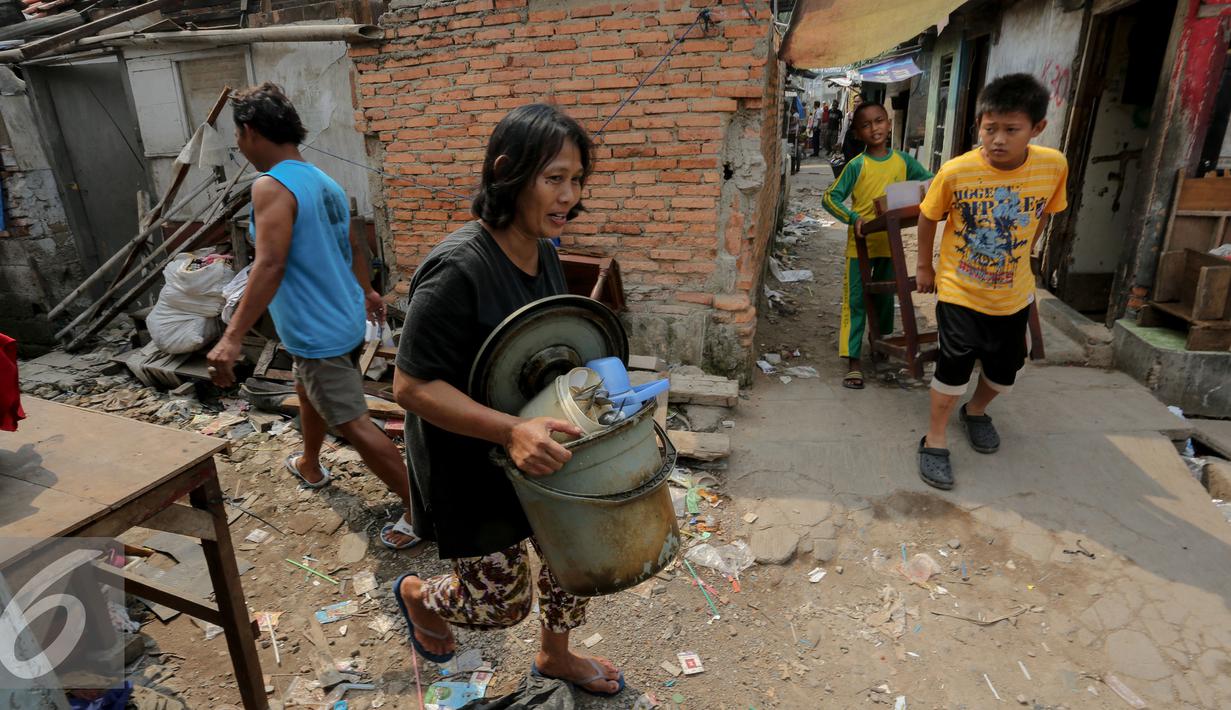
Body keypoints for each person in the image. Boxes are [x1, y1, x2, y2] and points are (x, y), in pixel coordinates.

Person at [390, 104, 625, 697]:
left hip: (533, 437)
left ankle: (555, 656)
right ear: (507, 172)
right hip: (468, 458)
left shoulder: (544, 251)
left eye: (577, 180)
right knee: (500, 605)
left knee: (576, 550)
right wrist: (508, 433)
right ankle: (418, 595)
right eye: (554, 179)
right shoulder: (457, 270)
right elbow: (410, 387)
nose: (568, 195)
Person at [207, 83, 420, 550]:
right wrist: (366, 289)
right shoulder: (323, 181)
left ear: (249, 131)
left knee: (353, 422)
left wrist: (232, 335)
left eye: (238, 136)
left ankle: (420, 510)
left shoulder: (270, 185)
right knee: (308, 387)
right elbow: (356, 244)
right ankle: (310, 464)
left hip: (316, 328)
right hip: (341, 317)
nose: (239, 146)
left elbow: (269, 264)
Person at [914, 73, 1068, 490]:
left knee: (1006, 370)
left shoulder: (1053, 165)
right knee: (954, 367)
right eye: (989, 128)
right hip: (961, 289)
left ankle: (977, 412)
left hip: (1013, 294)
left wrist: (1027, 254)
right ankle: (934, 439)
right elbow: (929, 215)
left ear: (1036, 129)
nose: (997, 139)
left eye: (1010, 130)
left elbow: (1045, 212)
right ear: (979, 124)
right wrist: (925, 267)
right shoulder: (958, 171)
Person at [822, 102, 931, 390]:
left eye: (879, 121)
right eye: (867, 125)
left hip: (890, 245)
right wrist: (853, 218)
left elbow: (931, 182)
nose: (875, 128)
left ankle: (880, 349)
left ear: (889, 123)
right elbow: (830, 198)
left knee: (884, 301)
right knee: (856, 301)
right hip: (860, 247)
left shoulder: (904, 162)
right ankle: (853, 360)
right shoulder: (857, 165)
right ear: (858, 133)